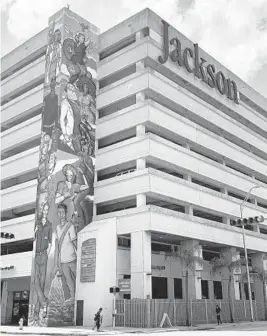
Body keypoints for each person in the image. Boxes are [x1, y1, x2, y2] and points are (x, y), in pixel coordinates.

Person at [52, 204, 77, 301]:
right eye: (59, 212)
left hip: (72, 259)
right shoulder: (57, 228)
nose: (61, 214)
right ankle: (73, 298)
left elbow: (75, 243)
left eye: (62, 212)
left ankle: (81, 296)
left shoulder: (70, 226)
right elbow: (57, 248)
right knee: (68, 281)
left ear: (66, 213)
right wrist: (56, 265)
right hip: (63, 262)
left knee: (78, 278)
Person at [33, 203, 52, 318]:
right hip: (36, 255)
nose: (45, 211)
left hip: (44, 255)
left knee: (42, 282)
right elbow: (33, 239)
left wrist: (47, 254)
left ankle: (36, 312)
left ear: (48, 211)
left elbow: (50, 242)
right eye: (43, 209)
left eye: (46, 209)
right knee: (36, 282)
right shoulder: (37, 223)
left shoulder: (49, 225)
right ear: (41, 210)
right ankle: (44, 302)